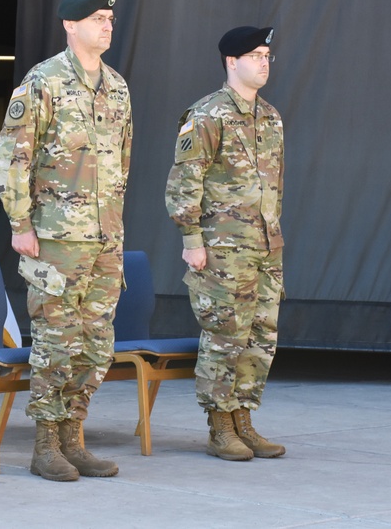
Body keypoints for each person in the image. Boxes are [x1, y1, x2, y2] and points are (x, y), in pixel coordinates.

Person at [0, 0, 132, 482]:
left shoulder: (116, 86)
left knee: (96, 343)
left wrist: (113, 226)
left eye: (111, 18)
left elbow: (122, 164)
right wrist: (20, 224)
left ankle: (74, 436)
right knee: (56, 340)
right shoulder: (43, 82)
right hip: (54, 239)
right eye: (98, 18)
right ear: (70, 26)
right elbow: (13, 159)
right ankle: (45, 444)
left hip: (104, 239)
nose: (108, 25)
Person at [165, 25, 286, 462]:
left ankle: (244, 420)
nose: (264, 62)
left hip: (265, 247)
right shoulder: (207, 115)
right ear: (231, 62)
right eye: (255, 55)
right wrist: (191, 239)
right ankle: (220, 425)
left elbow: (274, 187)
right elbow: (184, 182)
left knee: (260, 338)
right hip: (221, 249)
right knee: (224, 336)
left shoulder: (270, 117)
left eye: (268, 55)